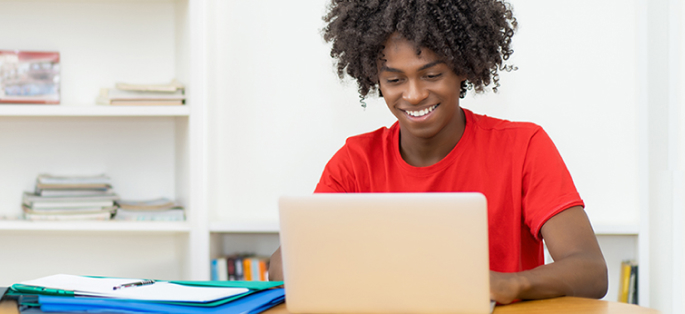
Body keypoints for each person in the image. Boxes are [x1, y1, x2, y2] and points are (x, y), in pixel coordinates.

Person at [269, 0, 608, 304]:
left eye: (431, 74)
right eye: (395, 80)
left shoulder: (523, 146)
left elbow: (591, 270)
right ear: (376, 80)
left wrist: (510, 284)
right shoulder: (355, 161)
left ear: (463, 68)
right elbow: (284, 268)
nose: (414, 95)